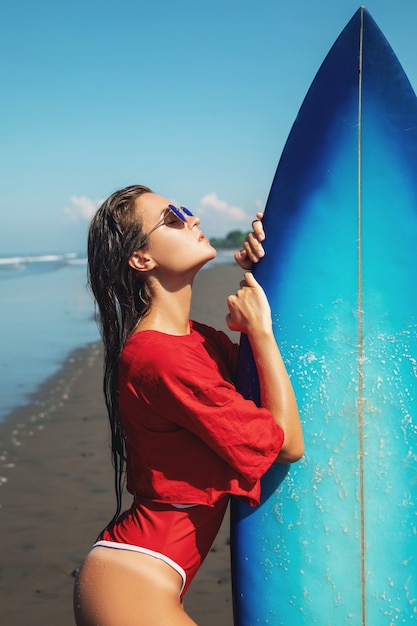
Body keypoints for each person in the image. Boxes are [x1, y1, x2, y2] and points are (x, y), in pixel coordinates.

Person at [73, 184, 303, 626]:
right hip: (132, 582)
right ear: (141, 259)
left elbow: (268, 389)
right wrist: (260, 333)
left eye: (189, 211)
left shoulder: (197, 340)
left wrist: (264, 269)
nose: (193, 219)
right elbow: (286, 443)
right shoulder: (161, 359)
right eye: (174, 218)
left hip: (143, 573)